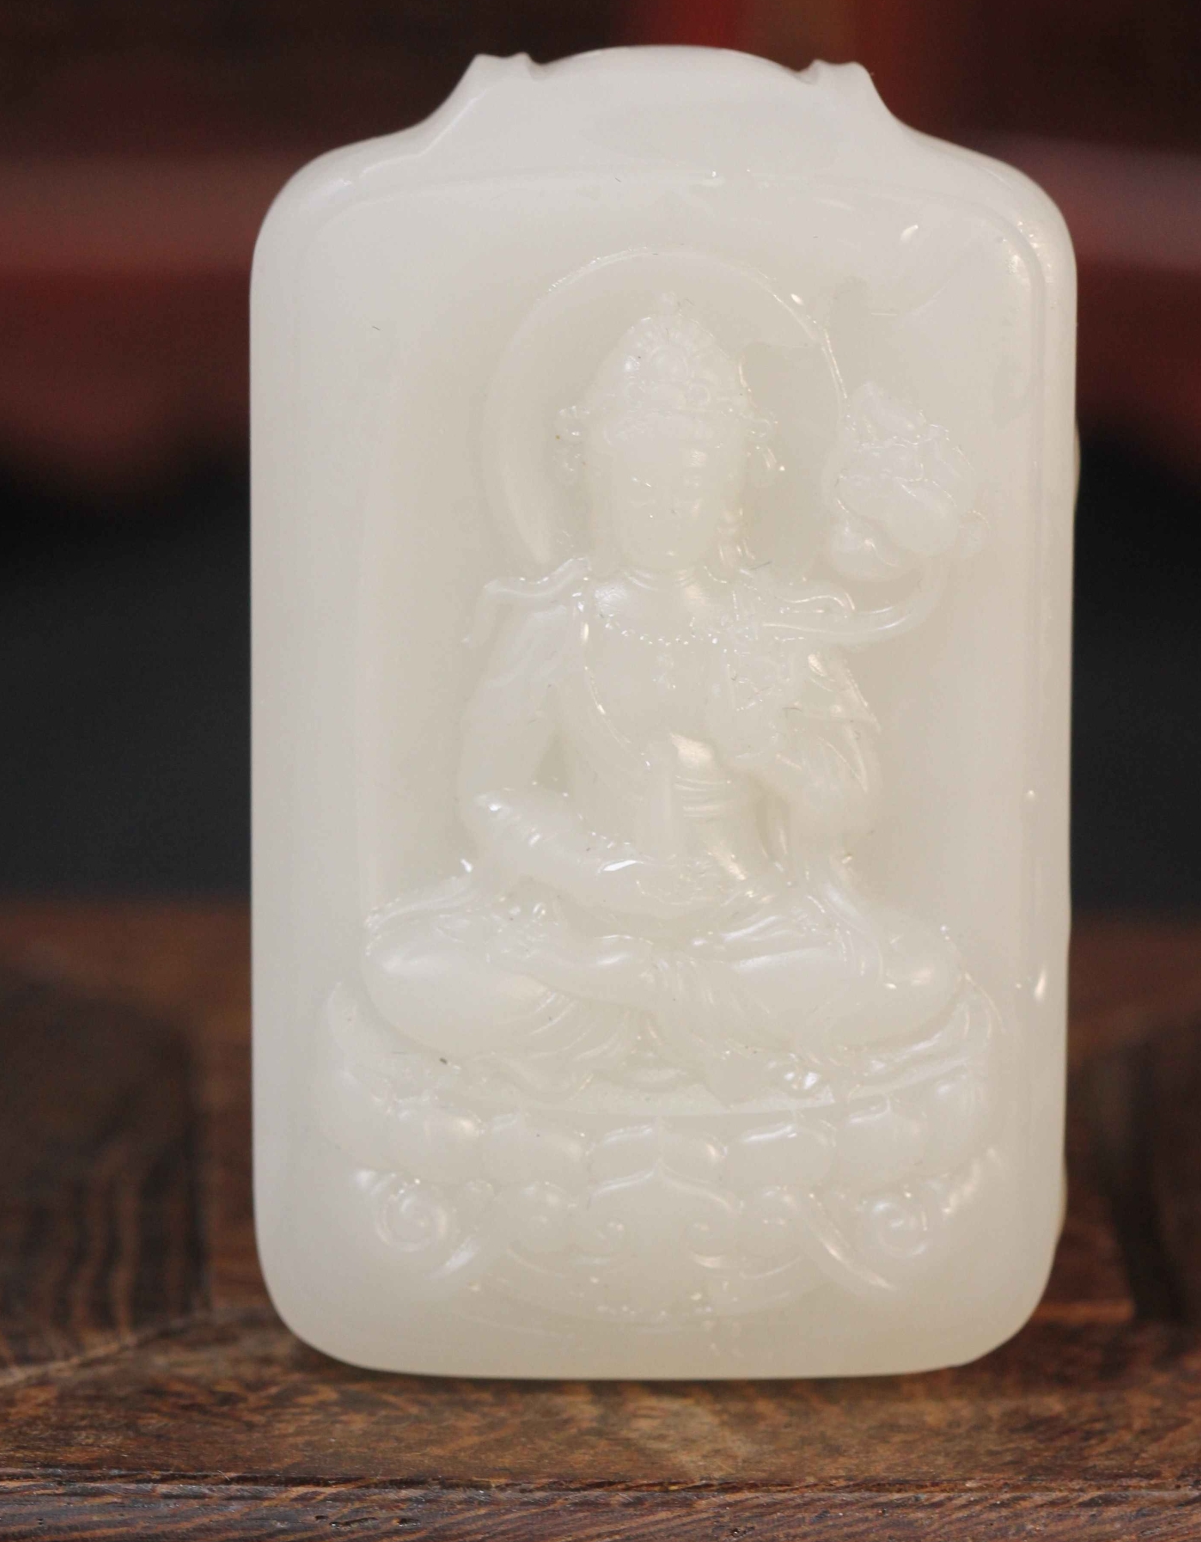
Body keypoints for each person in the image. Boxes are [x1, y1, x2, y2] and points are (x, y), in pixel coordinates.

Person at [363, 296, 979, 1102]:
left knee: (914, 972)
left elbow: (850, 800)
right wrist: (596, 873)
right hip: (585, 917)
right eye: (639, 485)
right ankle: (653, 995)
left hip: (746, 918)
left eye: (687, 484)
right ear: (597, 485)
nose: (664, 507)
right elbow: (490, 792)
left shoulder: (770, 620)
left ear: (730, 490)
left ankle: (639, 988)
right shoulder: (559, 622)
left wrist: (763, 750)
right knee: (410, 970)